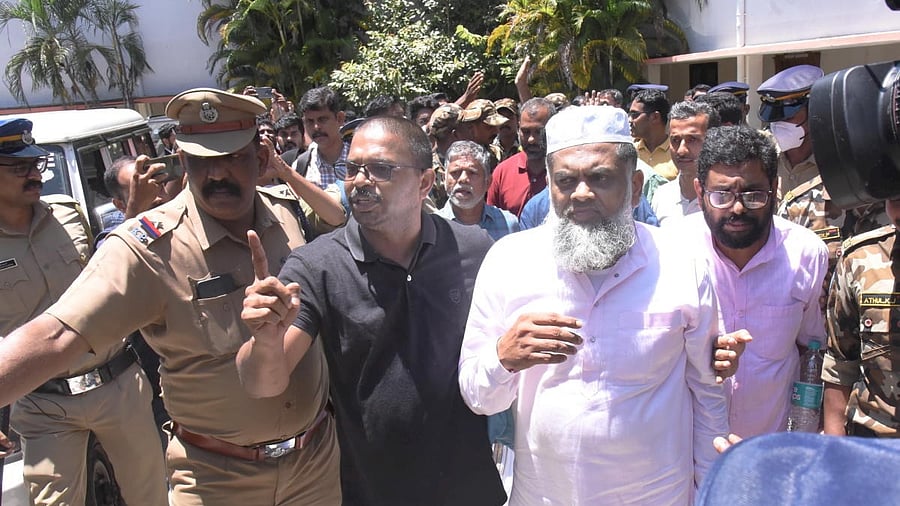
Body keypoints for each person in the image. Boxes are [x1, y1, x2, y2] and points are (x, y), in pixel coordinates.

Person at [0, 89, 341, 505]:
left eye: (231, 157)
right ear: (181, 161)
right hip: (217, 479)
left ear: (261, 157)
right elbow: (56, 335)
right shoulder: (146, 247)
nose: (216, 174)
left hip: (314, 466)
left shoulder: (285, 214)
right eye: (201, 160)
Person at [458, 105, 731, 505]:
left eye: (600, 178)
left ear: (635, 186)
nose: (581, 194)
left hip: (657, 496)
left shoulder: (682, 261)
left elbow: (708, 393)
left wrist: (711, 492)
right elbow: (479, 398)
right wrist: (505, 358)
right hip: (545, 496)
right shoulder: (509, 261)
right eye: (565, 181)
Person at [238, 116, 507, 505]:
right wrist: (263, 341)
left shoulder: (474, 249)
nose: (360, 181)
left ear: (425, 183)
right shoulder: (317, 266)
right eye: (353, 168)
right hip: (373, 490)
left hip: (471, 487)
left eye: (381, 169)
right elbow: (263, 384)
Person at [0, 118, 168, 505]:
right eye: (19, 167)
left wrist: (135, 214)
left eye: (36, 164)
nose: (34, 174)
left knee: (151, 497)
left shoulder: (68, 213)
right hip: (43, 402)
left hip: (117, 384)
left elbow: (108, 272)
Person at [674, 125, 828, 437]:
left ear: (775, 187)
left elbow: (812, 351)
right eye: (721, 195)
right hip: (689, 453)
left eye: (753, 194)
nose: (738, 208)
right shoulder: (672, 250)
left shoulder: (806, 254)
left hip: (770, 448)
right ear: (700, 192)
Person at [822, 197, 900, 437]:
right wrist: (834, 453)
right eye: (896, 197)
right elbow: (840, 365)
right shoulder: (860, 259)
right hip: (876, 450)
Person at [651, 101, 720, 226]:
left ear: (714, 141)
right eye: (675, 140)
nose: (681, 150)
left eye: (692, 140)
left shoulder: (725, 199)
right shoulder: (661, 196)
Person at [436, 140, 518, 239]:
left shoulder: (508, 225)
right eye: (455, 172)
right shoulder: (429, 227)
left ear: (487, 182)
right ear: (444, 178)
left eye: (472, 172)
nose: (463, 179)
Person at [487, 97, 555, 217]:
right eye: (526, 132)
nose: (531, 139)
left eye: (539, 132)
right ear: (518, 128)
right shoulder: (502, 173)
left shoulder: (567, 171)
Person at [294, 86, 349, 189]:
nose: (316, 127)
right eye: (310, 121)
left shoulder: (360, 160)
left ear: (340, 119)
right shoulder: (301, 166)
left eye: (322, 119)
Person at [629, 88, 677, 181]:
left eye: (635, 115)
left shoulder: (677, 153)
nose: (630, 120)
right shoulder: (631, 152)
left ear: (655, 117)